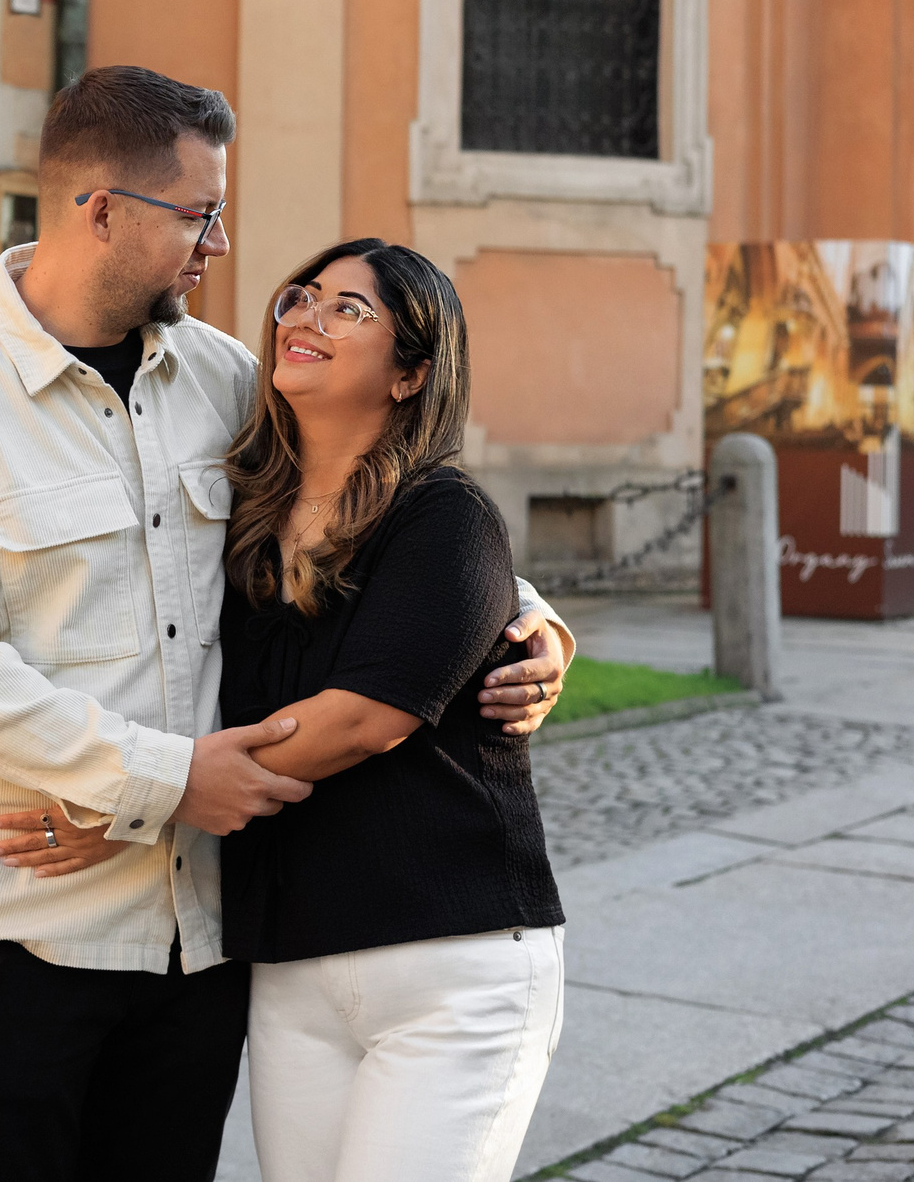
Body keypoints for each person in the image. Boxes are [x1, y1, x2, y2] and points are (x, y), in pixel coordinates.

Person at [0, 65, 575, 1182]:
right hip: (19, 922)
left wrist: (526, 622)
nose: (222, 244)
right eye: (199, 214)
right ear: (103, 210)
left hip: (198, 938)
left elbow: (367, 508)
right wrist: (163, 779)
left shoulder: (223, 378)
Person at [222, 238, 565, 1182]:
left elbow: (366, 718)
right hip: (291, 961)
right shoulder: (238, 514)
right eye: (302, 296)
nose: (307, 316)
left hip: (451, 965)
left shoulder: (445, 513)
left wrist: (156, 792)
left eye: (349, 308)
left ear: (411, 374)